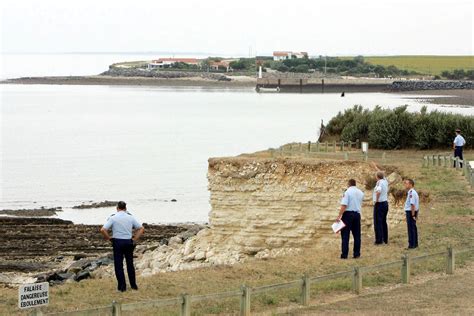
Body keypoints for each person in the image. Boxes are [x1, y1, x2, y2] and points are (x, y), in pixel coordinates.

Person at [100, 201, 145, 292]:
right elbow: (141, 228)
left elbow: (103, 230)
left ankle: (122, 287)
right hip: (128, 242)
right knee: (130, 264)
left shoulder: (113, 218)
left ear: (117, 208)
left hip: (118, 242)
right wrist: (135, 239)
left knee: (118, 265)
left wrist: (109, 239)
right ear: (125, 208)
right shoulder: (130, 217)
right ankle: (133, 285)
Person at [336, 179, 364, 259]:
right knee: (357, 235)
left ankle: (344, 255)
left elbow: (344, 205)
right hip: (357, 214)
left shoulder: (347, 192)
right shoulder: (360, 192)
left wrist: (339, 216)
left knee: (345, 235)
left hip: (348, 214)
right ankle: (357, 254)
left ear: (349, 184)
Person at [372, 170, 389, 245]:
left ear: (377, 177)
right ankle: (385, 239)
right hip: (385, 203)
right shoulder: (385, 181)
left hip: (380, 203)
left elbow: (378, 191)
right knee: (383, 221)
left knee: (378, 222)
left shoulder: (379, 182)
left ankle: (379, 240)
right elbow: (382, 174)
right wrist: (375, 168)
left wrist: (376, 200)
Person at [403, 179, 419, 249]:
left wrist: (413, 215)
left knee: (411, 228)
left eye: (406, 183)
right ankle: (415, 244)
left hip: (410, 212)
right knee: (413, 228)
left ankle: (411, 245)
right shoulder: (412, 192)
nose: (405, 185)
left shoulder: (411, 193)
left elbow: (412, 205)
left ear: (410, 184)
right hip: (412, 212)